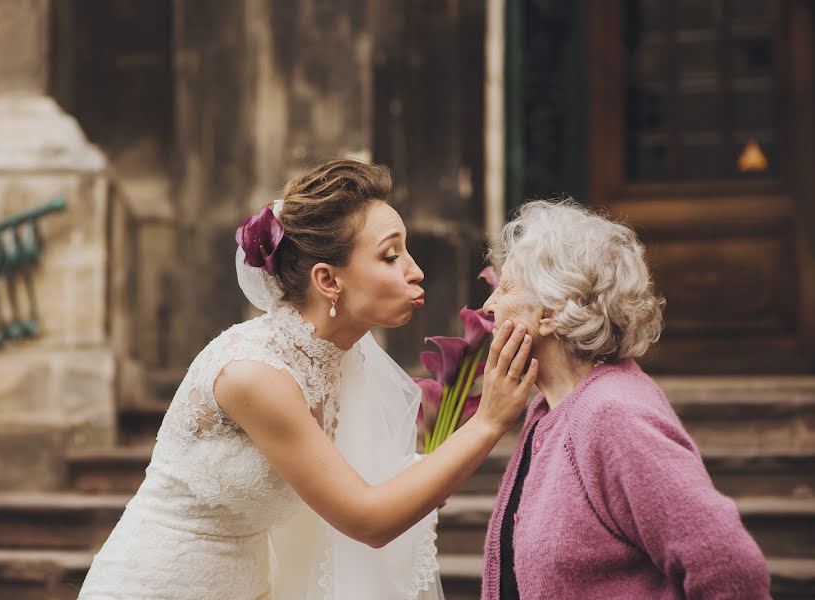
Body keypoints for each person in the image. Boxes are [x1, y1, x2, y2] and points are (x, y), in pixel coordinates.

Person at [78, 159, 537, 600]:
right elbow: (367, 518)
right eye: (391, 255)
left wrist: (423, 478)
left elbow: (373, 485)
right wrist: (488, 422)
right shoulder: (255, 375)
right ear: (327, 280)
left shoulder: (347, 354)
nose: (416, 271)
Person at [480, 200, 771, 599]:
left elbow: (731, 568)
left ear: (547, 312)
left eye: (507, 288)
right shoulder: (548, 409)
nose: (489, 305)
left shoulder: (614, 414)